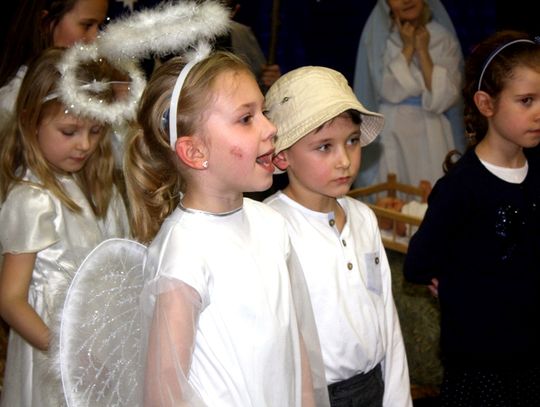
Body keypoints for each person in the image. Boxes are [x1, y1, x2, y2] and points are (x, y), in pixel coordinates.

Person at [124, 50, 329, 406]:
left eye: (263, 112)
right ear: (195, 152)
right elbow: (163, 395)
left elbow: (297, 353)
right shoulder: (184, 253)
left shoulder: (272, 225)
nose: (270, 128)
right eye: (246, 118)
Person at [403, 30, 540, 406]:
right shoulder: (463, 187)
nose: (538, 112)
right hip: (481, 367)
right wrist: (457, 284)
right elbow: (418, 263)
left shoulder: (537, 171)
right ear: (486, 104)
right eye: (526, 101)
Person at [264, 66, 412, 406]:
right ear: (282, 155)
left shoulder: (363, 218)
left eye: (352, 141)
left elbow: (386, 317)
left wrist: (397, 398)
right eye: (324, 147)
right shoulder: (272, 227)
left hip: (374, 387)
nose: (344, 160)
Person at [0, 47, 130, 406]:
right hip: (52, 355)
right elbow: (10, 300)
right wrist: (67, 354)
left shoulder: (97, 189)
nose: (85, 144)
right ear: (31, 119)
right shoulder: (32, 199)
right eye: (69, 131)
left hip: (97, 347)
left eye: (95, 130)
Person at [353, 0, 465, 188]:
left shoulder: (443, 38)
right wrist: (408, 48)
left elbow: (444, 97)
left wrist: (422, 51)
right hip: (393, 131)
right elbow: (385, 89)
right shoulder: (381, 41)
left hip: (434, 130)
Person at [0, 0, 108, 129]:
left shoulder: (98, 84)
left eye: (100, 26)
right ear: (46, 23)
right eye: (87, 25)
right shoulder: (14, 102)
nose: (95, 37)